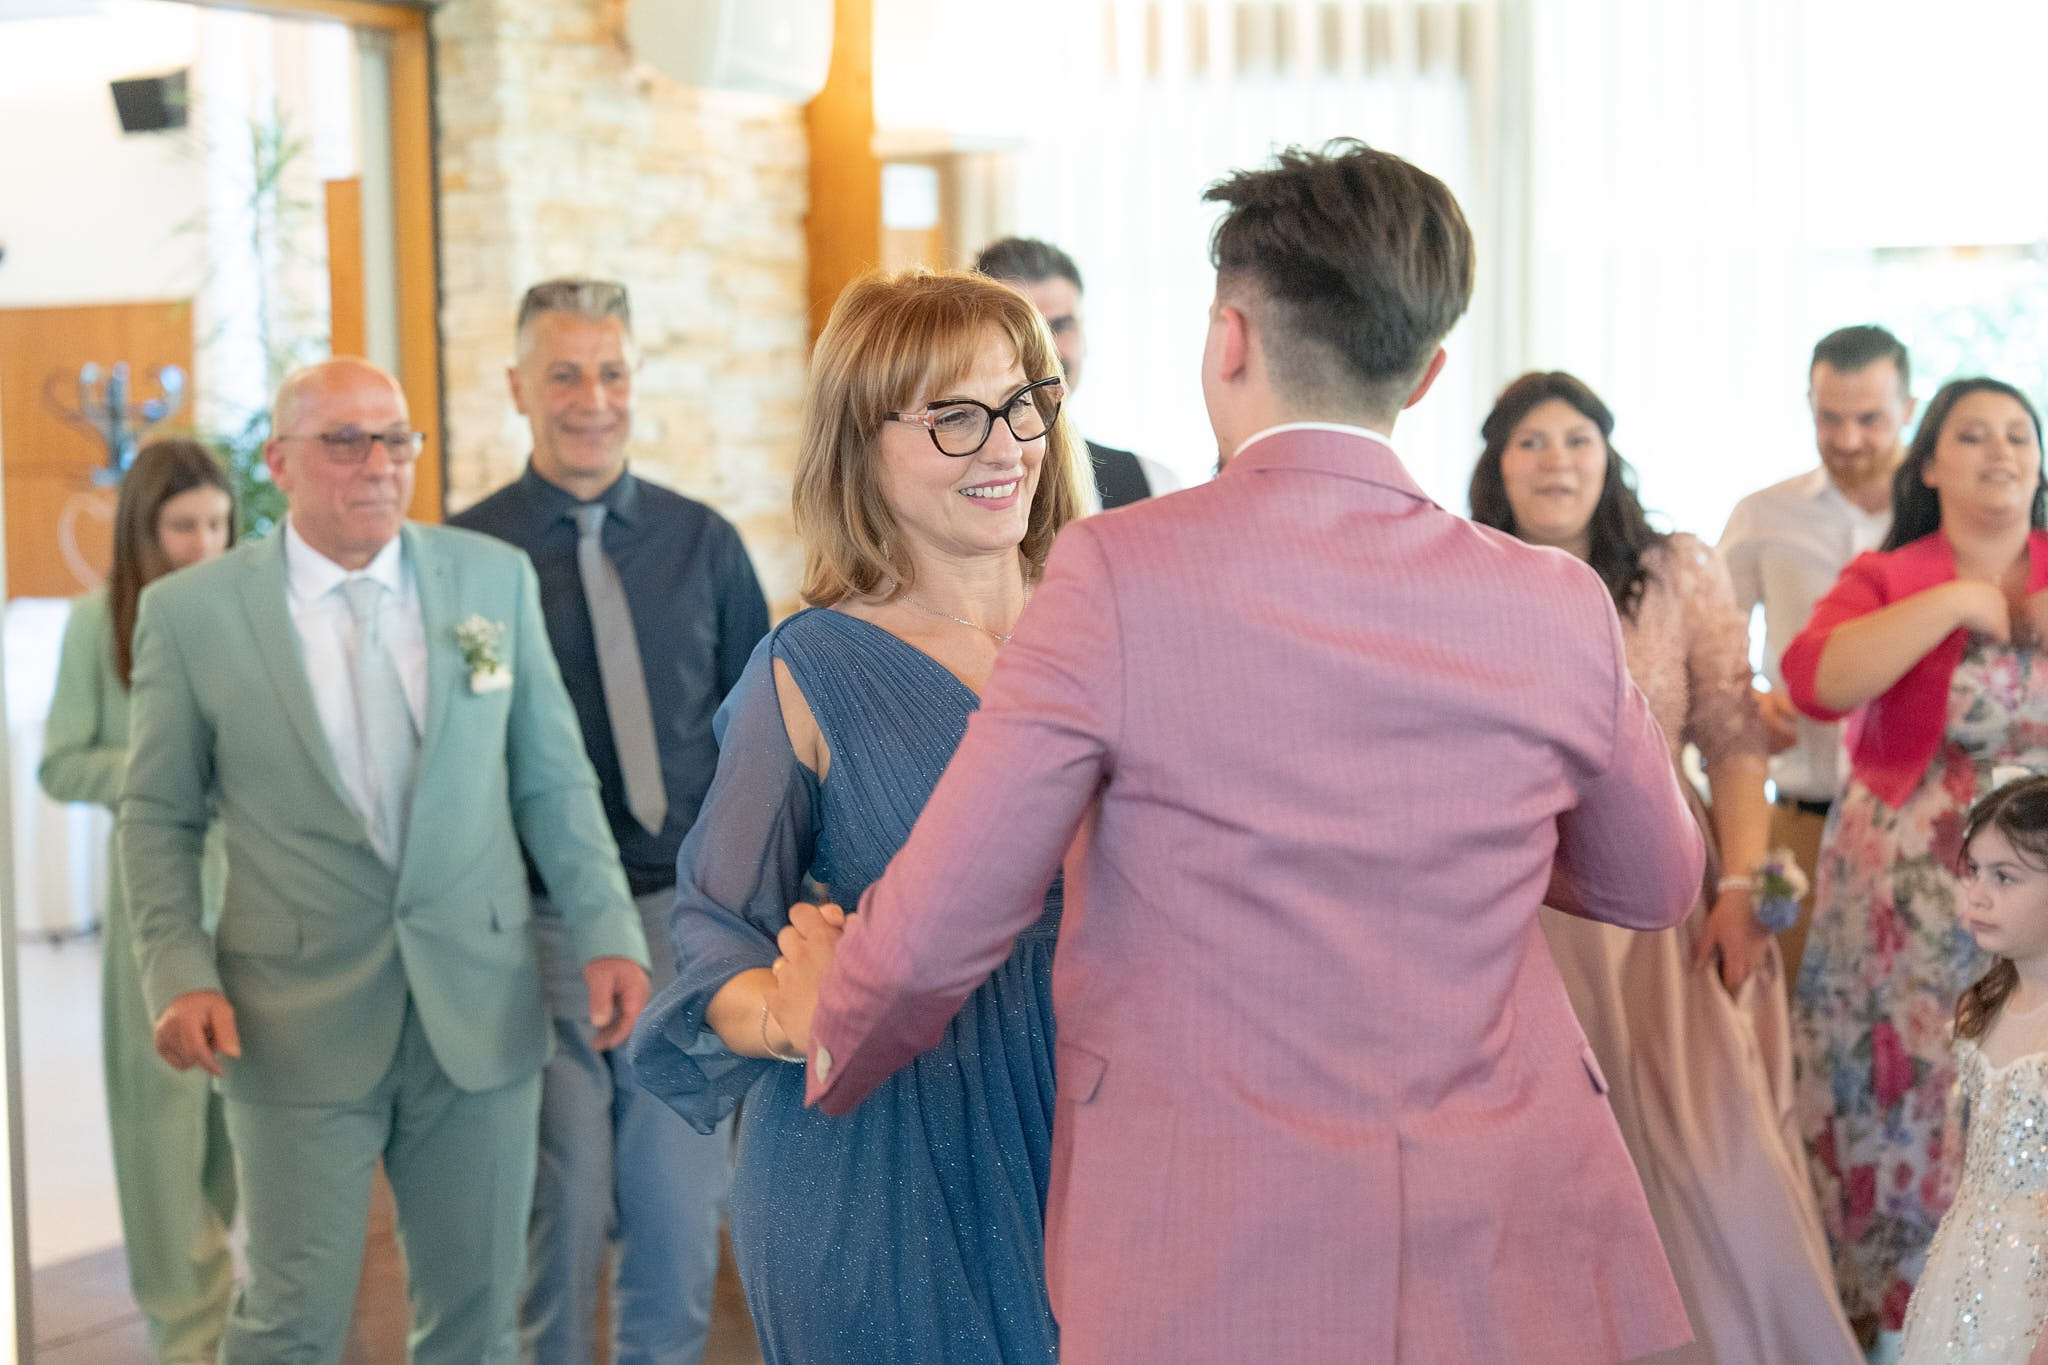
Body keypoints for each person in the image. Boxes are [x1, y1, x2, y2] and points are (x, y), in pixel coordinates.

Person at [769, 141, 1706, 1365]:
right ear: (1424, 372)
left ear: (1226, 337)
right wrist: (1469, 839)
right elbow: (1654, 882)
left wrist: (827, 1017)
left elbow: (951, 909)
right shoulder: (1553, 599)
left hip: (1205, 1233)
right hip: (1502, 1226)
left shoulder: (1113, 572)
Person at [120, 357, 652, 1365]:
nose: (378, 464)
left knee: (477, 1323)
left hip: (479, 1009)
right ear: (279, 461)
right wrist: (177, 973)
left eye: (395, 439)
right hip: (288, 1018)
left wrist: (608, 930)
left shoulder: (487, 580)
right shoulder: (192, 616)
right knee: (289, 1323)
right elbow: (155, 819)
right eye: (345, 441)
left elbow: (552, 781)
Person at [629, 268, 1082, 1364]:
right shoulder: (808, 668)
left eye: (1023, 402)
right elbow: (713, 946)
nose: (1004, 446)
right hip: (890, 1173)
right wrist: (794, 1017)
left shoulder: (1109, 635)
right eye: (953, 417)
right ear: (859, 444)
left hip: (1103, 1150)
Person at [1469, 371, 1860, 1364]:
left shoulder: (1675, 569)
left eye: (1575, 440)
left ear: (1608, 458)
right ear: (1494, 465)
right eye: (1529, 442)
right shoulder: (1460, 571)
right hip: (1515, 896)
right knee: (1543, 1151)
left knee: (1708, 1145)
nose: (1555, 459)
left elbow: (1732, 737)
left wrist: (1738, 888)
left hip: (1660, 887)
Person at [450, 278, 768, 1365]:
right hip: (537, 934)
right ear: (517, 389)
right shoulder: (467, 561)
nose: (594, 398)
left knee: (681, 1222)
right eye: (565, 374)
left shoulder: (704, 546)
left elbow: (758, 746)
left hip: (685, 925)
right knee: (560, 1217)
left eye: (613, 372)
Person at [1783, 377, 2048, 1351]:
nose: (1997, 450)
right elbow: (1813, 681)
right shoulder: (1890, 574)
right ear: (1926, 462)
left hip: (2043, 889)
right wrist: (1951, 601)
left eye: (2017, 434)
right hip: (1906, 894)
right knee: (1904, 1092)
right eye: (1969, 434)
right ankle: (1904, 1325)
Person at [40, 438, 238, 1365]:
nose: (203, 544)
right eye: (181, 526)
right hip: (153, 907)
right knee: (158, 1132)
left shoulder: (249, 618)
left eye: (216, 523)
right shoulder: (95, 624)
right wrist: (156, 776)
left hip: (249, 900)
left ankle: (227, 1303)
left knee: (240, 1124)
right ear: (144, 532)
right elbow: (60, 759)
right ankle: (182, 1333)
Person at [1720, 325, 1914, 984]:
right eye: (1830, 418)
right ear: (1809, 405)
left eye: (1870, 419)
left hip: (1921, 832)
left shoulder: (1951, 519)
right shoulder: (1762, 515)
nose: (1849, 438)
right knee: (1785, 1019)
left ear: (1909, 411)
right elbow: (1709, 645)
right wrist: (1747, 696)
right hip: (1800, 818)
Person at [1897, 776, 2048, 1364]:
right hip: (1972, 1266)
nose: (1977, 896)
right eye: (1974, 872)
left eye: (2004, 877)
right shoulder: (1981, 1007)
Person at [974, 236, 1180, 509]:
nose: (1048, 352)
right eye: (1021, 330)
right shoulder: (955, 487)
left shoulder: (1152, 487)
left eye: (1060, 326)